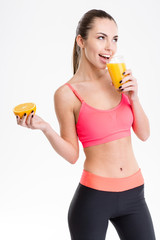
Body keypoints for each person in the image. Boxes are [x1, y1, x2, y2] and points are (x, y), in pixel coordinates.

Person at [16, 9, 156, 240]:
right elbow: (72, 155)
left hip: (134, 195)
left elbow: (144, 134)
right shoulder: (67, 94)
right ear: (81, 41)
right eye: (101, 38)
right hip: (95, 199)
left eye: (115, 39)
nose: (110, 47)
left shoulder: (119, 79)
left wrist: (135, 98)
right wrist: (46, 128)